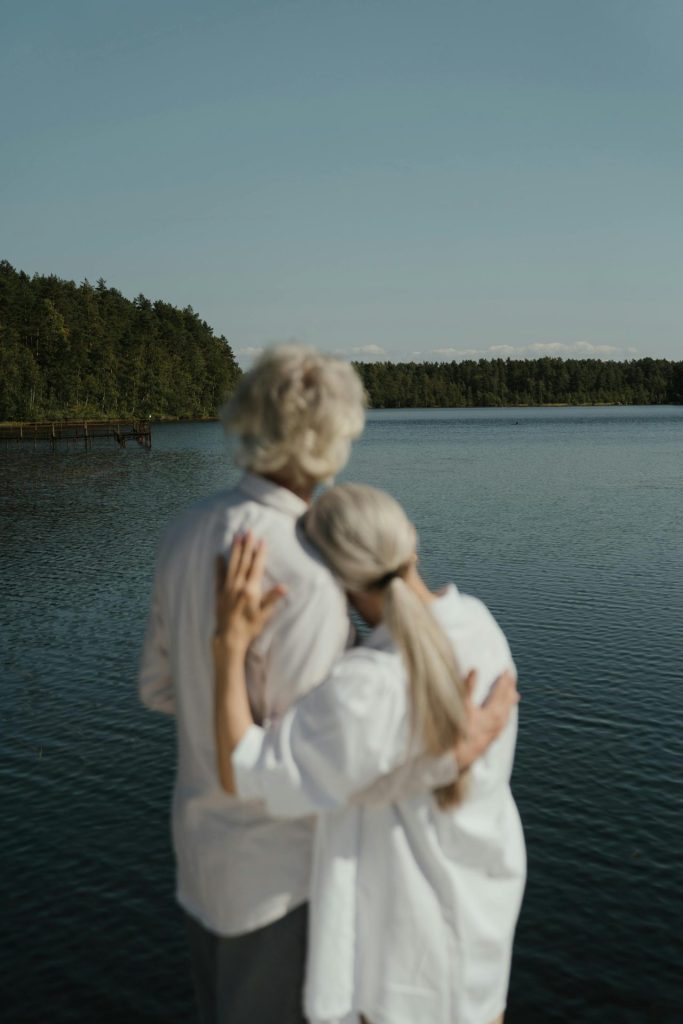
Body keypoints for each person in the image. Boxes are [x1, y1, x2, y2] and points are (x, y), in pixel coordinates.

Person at [139, 345, 519, 1024]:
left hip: (200, 864)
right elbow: (324, 763)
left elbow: (158, 689)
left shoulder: (183, 532)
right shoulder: (306, 569)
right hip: (287, 881)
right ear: (333, 439)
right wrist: (448, 758)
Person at [213, 484, 526, 1024]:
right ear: (411, 545)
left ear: (335, 583)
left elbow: (244, 771)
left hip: (405, 965)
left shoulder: (368, 687)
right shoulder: (480, 623)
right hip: (482, 928)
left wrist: (229, 647)